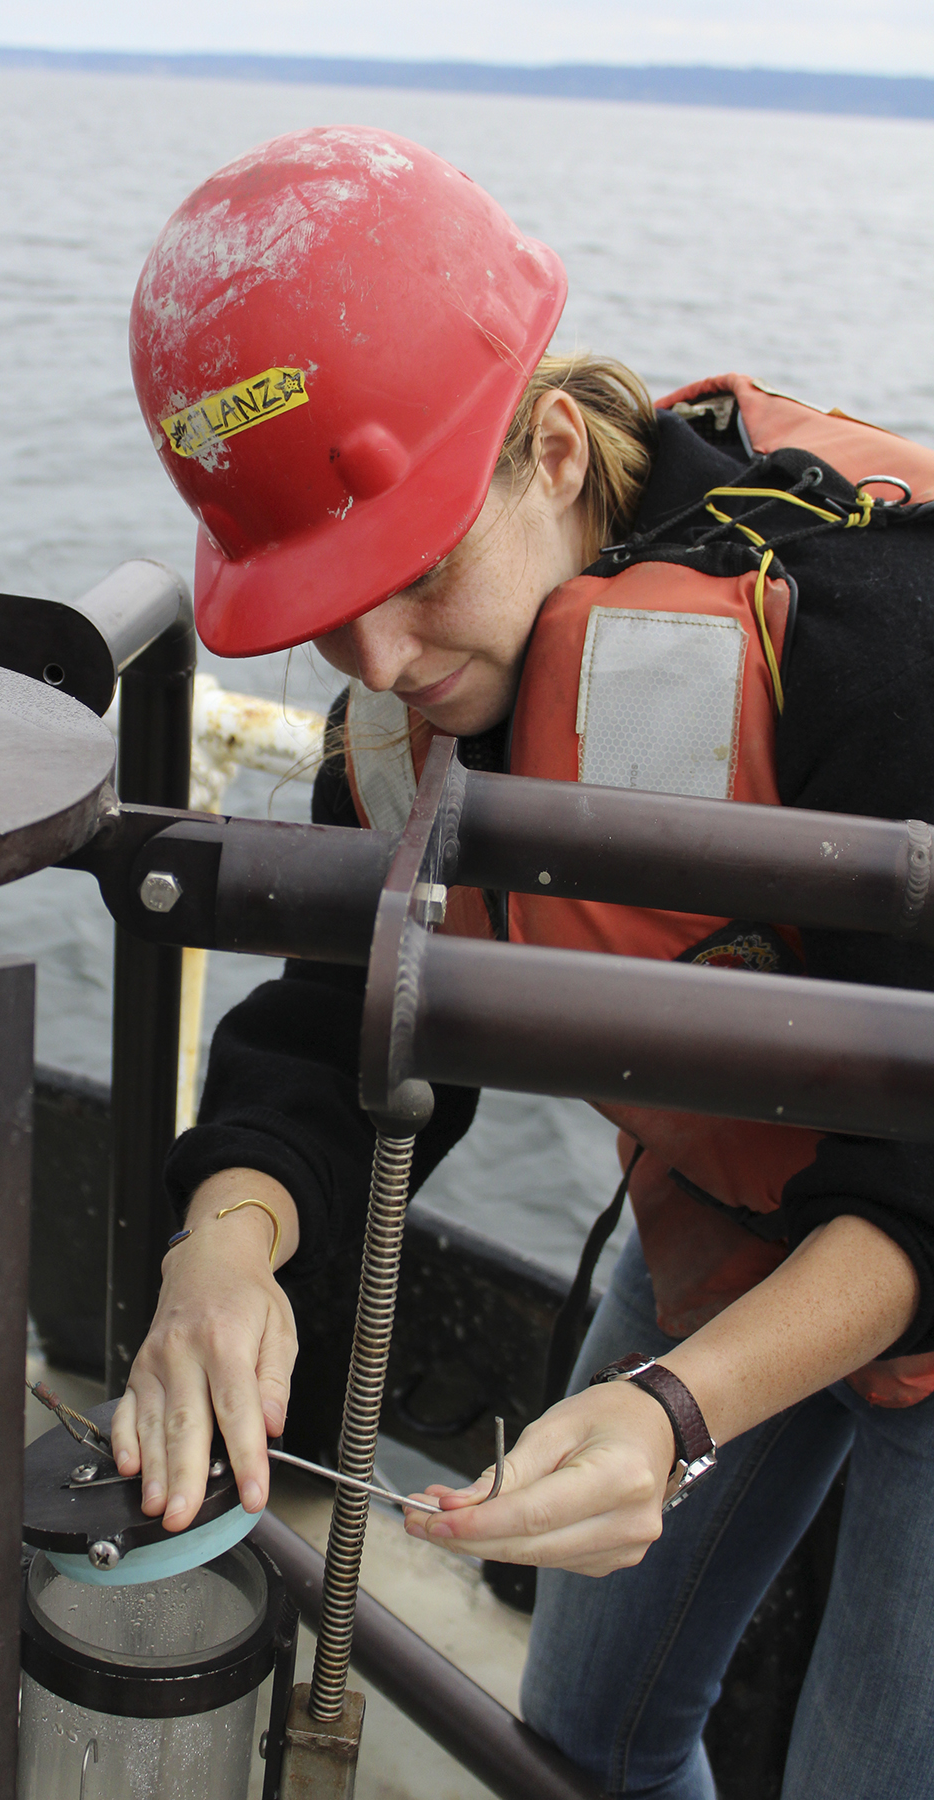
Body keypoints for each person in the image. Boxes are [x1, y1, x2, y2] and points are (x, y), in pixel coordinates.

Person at [112, 125, 934, 1798]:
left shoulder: (865, 636)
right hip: (721, 1214)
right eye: (323, 608)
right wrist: (224, 1250)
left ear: (554, 447)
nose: (383, 659)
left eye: (412, 576)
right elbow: (341, 1015)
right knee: (585, 1749)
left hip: (902, 1246)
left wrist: (677, 1417)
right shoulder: (410, 716)